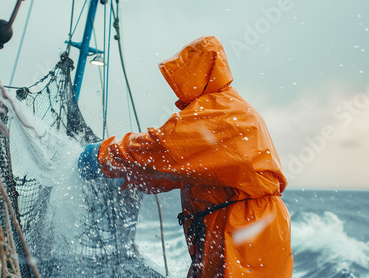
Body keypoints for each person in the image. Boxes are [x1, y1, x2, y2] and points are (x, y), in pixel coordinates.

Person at [78, 36, 293, 278]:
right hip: (239, 230)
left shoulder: (219, 113)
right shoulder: (226, 108)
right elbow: (175, 172)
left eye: (183, 76)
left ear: (200, 73)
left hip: (244, 236)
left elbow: (161, 147)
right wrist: (130, 178)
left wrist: (103, 155)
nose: (177, 86)